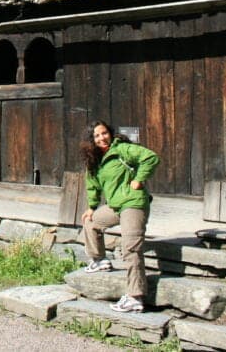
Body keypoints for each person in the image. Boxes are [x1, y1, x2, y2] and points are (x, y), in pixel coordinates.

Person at [80, 120, 160, 313]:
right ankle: (99, 260)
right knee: (90, 222)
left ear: (110, 133)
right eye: (97, 135)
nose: (102, 138)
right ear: (92, 140)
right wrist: (92, 207)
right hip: (116, 206)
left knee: (130, 248)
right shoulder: (95, 161)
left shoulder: (122, 149)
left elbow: (150, 157)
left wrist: (139, 180)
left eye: (104, 133)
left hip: (133, 204)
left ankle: (135, 297)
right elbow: (92, 186)